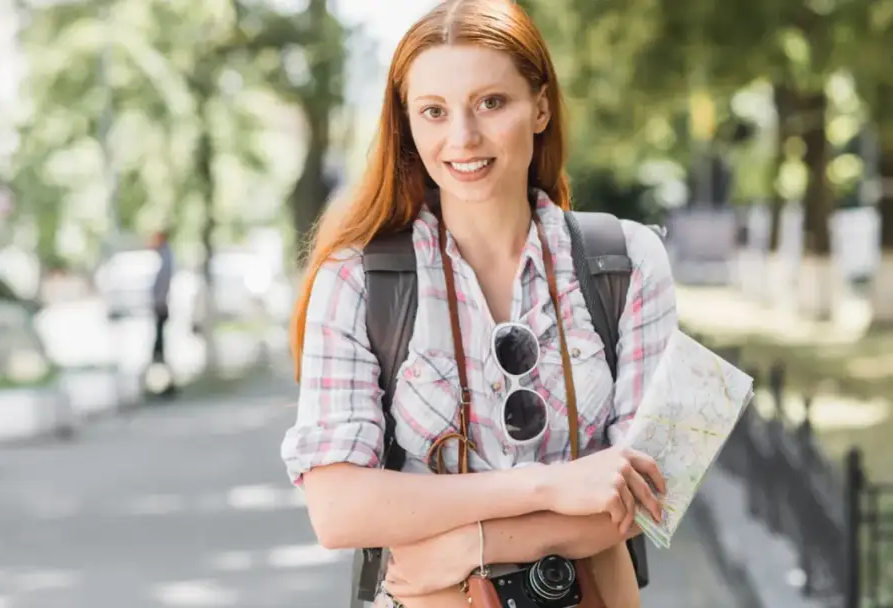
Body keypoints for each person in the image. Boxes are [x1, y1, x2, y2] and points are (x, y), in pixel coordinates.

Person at [280, 1, 678, 607]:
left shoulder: (626, 262)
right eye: (434, 111)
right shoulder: (359, 280)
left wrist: (467, 545)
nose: (462, 138)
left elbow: (652, 492)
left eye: (491, 102)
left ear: (540, 106)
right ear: (407, 124)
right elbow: (338, 509)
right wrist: (554, 487)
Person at [151, 229, 173, 363]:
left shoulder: (166, 256)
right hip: (160, 299)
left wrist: (161, 299)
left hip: (162, 300)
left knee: (160, 327)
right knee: (158, 327)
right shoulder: (162, 255)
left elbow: (164, 279)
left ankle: (159, 352)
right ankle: (158, 351)